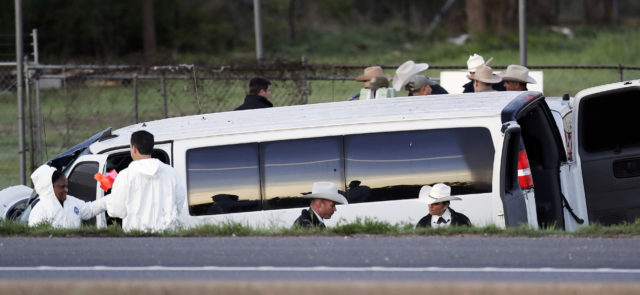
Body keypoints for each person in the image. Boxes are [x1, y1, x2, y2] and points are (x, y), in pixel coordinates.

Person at [105, 130, 187, 232]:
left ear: (134, 148)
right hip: (167, 237)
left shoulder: (125, 175)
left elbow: (117, 210)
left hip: (137, 238)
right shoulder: (172, 173)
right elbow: (179, 204)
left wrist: (107, 200)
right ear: (151, 148)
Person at [28, 164, 107, 228]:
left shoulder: (72, 202)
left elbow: (90, 209)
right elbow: (36, 239)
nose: (66, 190)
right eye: (62, 187)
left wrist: (111, 199)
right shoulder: (39, 210)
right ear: (50, 188)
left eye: (66, 186)